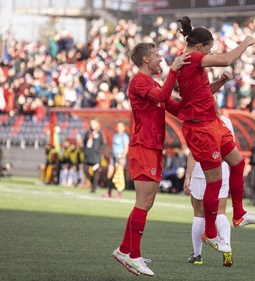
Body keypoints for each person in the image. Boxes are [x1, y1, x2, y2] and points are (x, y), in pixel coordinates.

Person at [175, 16, 255, 253]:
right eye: (210, 48)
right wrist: (246, 42)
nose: (211, 52)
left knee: (237, 162)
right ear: (200, 47)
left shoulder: (191, 61)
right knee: (214, 182)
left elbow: (202, 93)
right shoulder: (192, 57)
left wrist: (220, 83)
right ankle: (211, 233)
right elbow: (226, 59)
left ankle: (239, 215)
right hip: (201, 128)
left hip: (212, 123)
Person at [112, 43, 190, 277]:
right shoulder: (139, 81)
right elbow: (161, 95)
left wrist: (205, 90)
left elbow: (175, 108)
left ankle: (125, 250)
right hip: (143, 146)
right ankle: (133, 255)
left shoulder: (154, 83)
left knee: (147, 202)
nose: (160, 59)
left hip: (153, 147)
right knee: (143, 202)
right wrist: (174, 71)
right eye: (156, 56)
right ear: (146, 59)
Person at [184, 112, 235, 268]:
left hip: (201, 171)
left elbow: (193, 152)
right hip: (222, 170)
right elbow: (230, 148)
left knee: (199, 214)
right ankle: (227, 248)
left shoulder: (194, 119)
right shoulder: (226, 121)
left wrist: (188, 175)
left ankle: (197, 255)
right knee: (220, 212)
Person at [104, 122, 130, 199]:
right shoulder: (115, 135)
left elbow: (126, 147)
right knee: (110, 173)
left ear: (124, 128)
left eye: (120, 127)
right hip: (113, 155)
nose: (119, 128)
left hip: (120, 156)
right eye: (118, 126)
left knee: (119, 174)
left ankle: (119, 193)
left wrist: (122, 157)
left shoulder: (125, 136)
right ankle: (109, 191)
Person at [82, 118, 105, 193]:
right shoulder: (88, 133)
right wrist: (85, 150)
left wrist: (98, 151)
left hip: (96, 157)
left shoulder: (100, 133)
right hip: (87, 156)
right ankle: (92, 182)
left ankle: (94, 188)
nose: (92, 125)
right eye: (91, 123)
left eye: (93, 123)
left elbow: (103, 144)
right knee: (85, 170)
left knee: (96, 172)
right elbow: (84, 142)